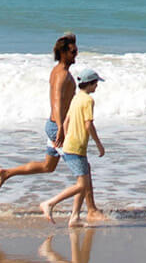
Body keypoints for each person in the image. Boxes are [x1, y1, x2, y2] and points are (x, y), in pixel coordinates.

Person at [0, 33, 80, 194]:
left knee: (48, 166)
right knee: (83, 172)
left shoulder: (57, 71)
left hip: (54, 125)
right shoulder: (62, 74)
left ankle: (6, 173)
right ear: (63, 53)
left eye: (76, 51)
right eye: (73, 52)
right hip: (58, 127)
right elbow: (57, 101)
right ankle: (90, 207)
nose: (76, 54)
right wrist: (61, 128)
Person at [39, 63, 106, 224]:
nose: (97, 86)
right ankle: (50, 203)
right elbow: (88, 125)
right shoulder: (88, 100)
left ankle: (75, 217)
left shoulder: (75, 98)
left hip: (70, 144)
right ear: (90, 84)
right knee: (83, 184)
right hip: (77, 146)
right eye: (96, 83)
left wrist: (66, 137)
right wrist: (99, 144)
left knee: (83, 180)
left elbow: (67, 121)